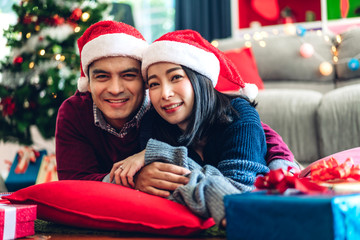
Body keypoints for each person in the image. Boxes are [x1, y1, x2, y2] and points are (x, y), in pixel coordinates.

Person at [55, 20, 298, 197]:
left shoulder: (159, 107)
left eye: (128, 75)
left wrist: (281, 164)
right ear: (88, 81)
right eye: (102, 77)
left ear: (141, 80)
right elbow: (73, 184)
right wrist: (133, 180)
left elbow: (254, 130)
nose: (116, 88)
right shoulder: (153, 119)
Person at [107, 30, 297, 225]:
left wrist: (163, 153)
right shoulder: (151, 123)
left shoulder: (239, 114)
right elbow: (162, 191)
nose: (165, 94)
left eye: (176, 78)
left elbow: (239, 195)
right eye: (154, 84)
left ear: (200, 78)